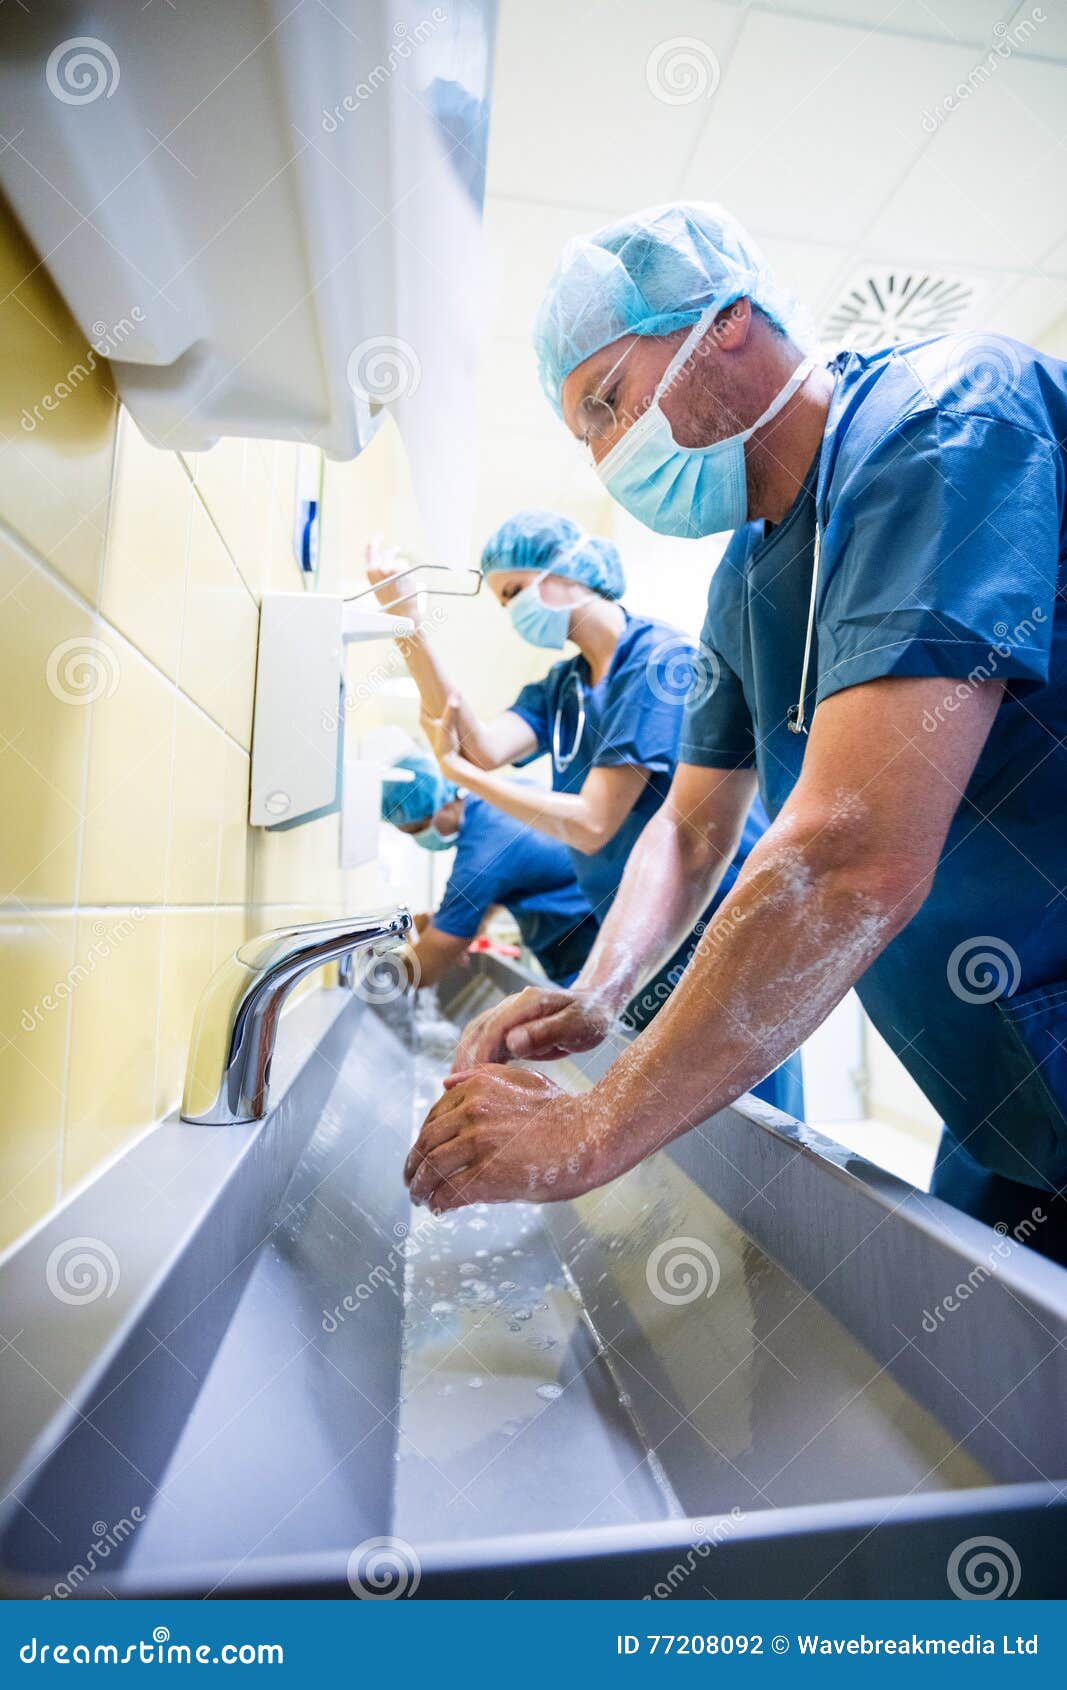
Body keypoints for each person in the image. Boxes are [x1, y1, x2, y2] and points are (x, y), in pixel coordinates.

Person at [404, 201, 1067, 1266]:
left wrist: (592, 1124)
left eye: (610, 402)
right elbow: (687, 829)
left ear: (726, 322)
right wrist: (598, 991)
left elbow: (851, 848)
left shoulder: (941, 423)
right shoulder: (742, 584)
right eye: (588, 436)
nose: (610, 453)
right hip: (998, 1080)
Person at [369, 513, 802, 1113]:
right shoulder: (565, 684)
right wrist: (410, 630)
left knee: (746, 1121)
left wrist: (463, 777)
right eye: (503, 601)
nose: (514, 611)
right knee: (673, 1115)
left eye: (517, 591)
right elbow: (480, 747)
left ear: (573, 571)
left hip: (716, 925)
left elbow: (595, 820)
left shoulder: (655, 661)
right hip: (641, 930)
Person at [380, 750, 598, 989]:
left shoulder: (479, 859)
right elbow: (492, 896)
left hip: (589, 949)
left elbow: (424, 970)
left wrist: (388, 979)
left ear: (442, 806)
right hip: (591, 934)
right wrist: (448, 927)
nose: (420, 840)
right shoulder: (504, 794)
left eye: (417, 830)